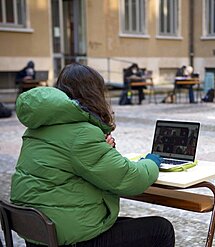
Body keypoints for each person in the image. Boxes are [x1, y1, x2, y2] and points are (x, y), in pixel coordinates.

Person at [10, 63, 175, 247]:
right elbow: (130, 179)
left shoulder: (37, 128)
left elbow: (71, 166)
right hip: (70, 238)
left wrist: (102, 149)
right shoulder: (81, 133)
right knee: (160, 229)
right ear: (93, 93)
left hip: (39, 234)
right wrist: (152, 162)